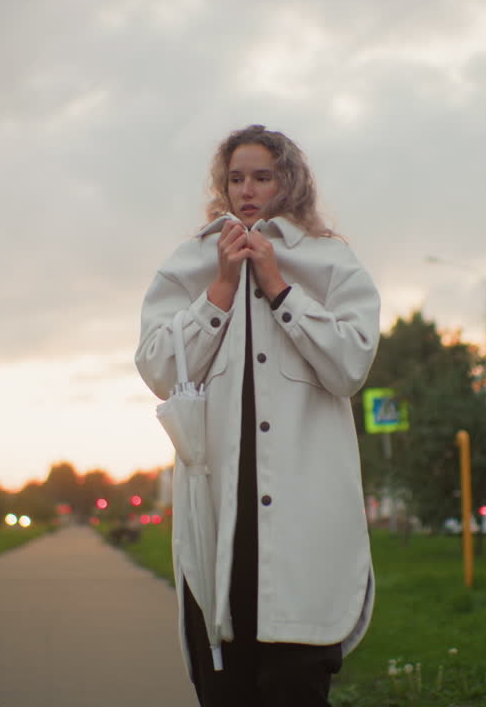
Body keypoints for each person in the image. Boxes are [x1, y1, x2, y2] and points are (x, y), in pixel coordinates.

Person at [136, 125, 381, 706]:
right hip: (217, 516)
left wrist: (278, 286)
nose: (247, 190)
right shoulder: (190, 263)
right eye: (236, 178)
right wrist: (221, 288)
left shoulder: (329, 261)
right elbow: (159, 370)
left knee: (297, 688)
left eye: (262, 176)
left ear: (287, 182)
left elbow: (350, 366)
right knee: (225, 687)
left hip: (304, 519)